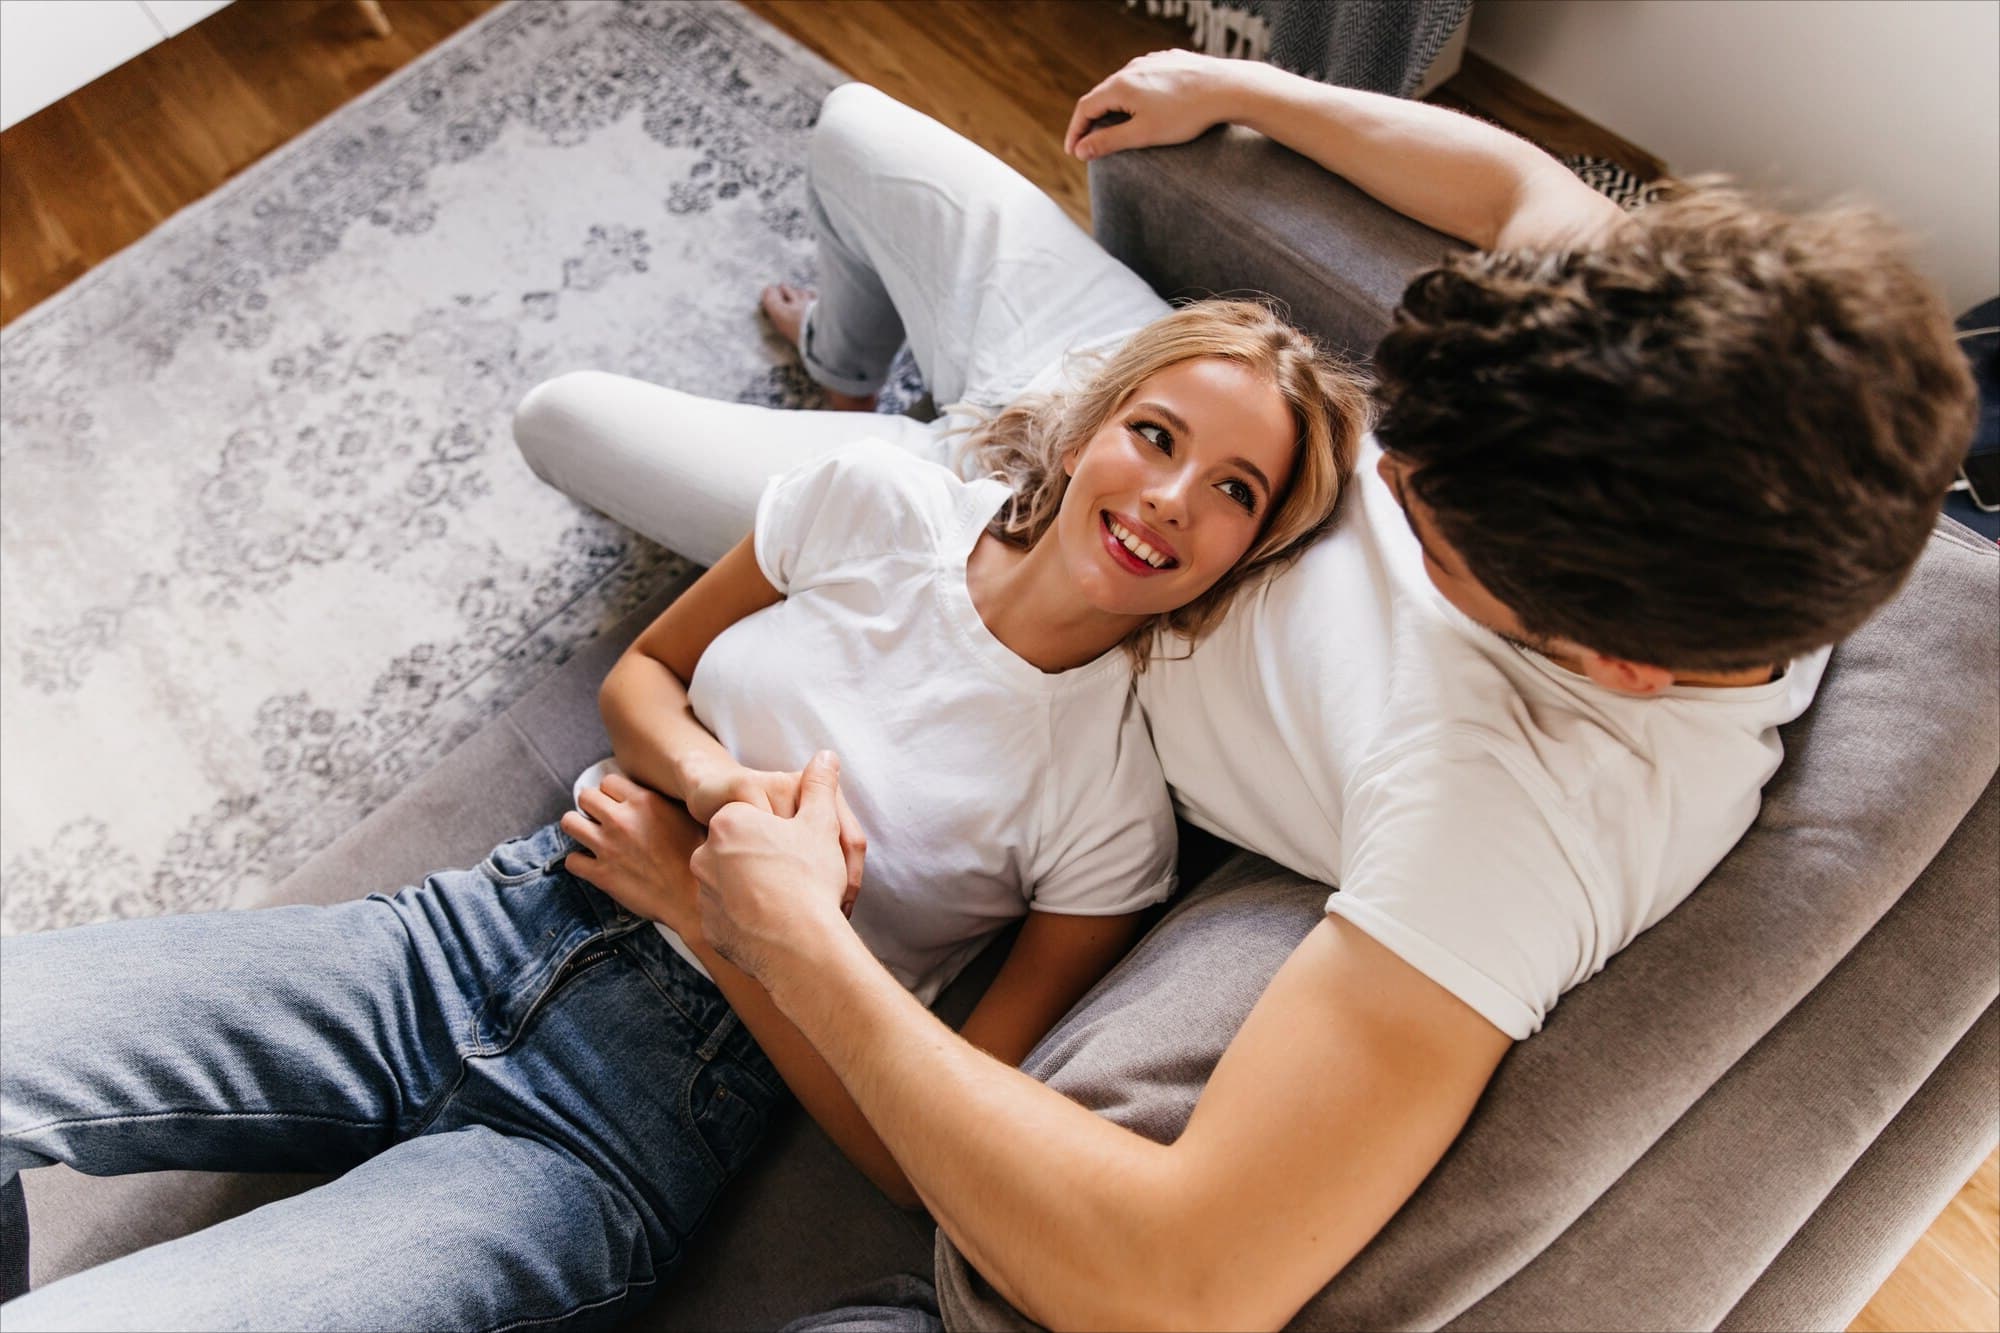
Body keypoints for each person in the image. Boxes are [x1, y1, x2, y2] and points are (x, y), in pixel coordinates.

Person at [512, 58, 1976, 1331]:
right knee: (853, 132)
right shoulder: (1691, 383)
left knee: (565, 421)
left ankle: (877, 411)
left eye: (1431, 524)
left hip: (1076, 576)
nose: (1381, 487)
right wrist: (1248, 93)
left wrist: (781, 941)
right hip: (1143, 407)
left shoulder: (1523, 827)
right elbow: (1519, 184)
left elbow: (1177, 1281)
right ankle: (847, 374)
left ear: (1612, 662)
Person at [0, 296, 1362, 1329]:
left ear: (1251, 553)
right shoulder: (874, 497)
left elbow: (915, 1154)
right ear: (1086, 425)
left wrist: (713, 915)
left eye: (1234, 490)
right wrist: (713, 792)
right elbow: (646, 674)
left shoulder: (1114, 811)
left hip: (615, 1135)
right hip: (467, 934)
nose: (1171, 498)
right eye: (1157, 434)